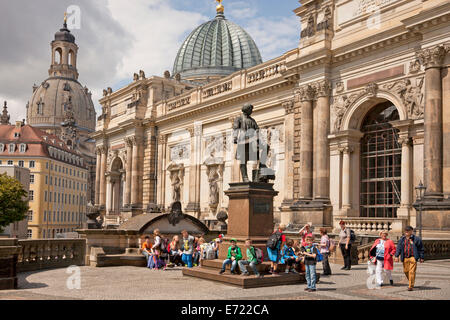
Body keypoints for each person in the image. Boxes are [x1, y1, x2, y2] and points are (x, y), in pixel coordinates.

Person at [394, 226, 425, 291]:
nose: (406, 232)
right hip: (405, 257)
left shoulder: (416, 239)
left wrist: (421, 257)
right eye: (406, 230)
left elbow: (421, 249)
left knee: (411, 272)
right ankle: (411, 280)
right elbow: (398, 248)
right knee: (405, 271)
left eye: (408, 230)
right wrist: (396, 256)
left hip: (413, 257)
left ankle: (410, 286)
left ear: (411, 231)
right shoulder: (402, 239)